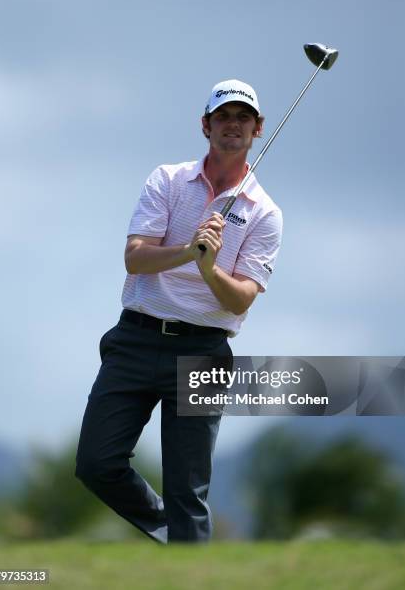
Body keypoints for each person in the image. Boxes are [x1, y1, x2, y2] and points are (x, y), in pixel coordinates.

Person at [75, 79, 283, 544]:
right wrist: (190, 252)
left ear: (258, 129)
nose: (234, 125)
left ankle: (188, 552)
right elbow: (135, 256)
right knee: (96, 463)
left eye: (243, 118)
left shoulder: (265, 213)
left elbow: (242, 298)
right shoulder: (168, 180)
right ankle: (174, 532)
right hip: (136, 339)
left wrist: (209, 269)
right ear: (205, 124)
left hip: (204, 352)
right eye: (224, 116)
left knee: (188, 489)